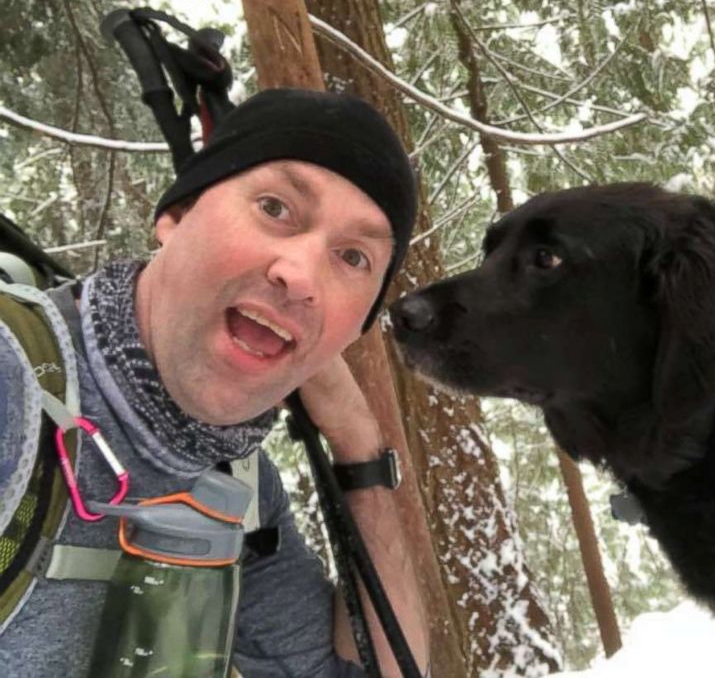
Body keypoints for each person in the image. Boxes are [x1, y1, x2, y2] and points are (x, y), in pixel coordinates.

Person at [0, 88, 430, 677]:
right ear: (174, 218)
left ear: (354, 332)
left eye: (353, 258)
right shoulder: (16, 379)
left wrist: (359, 446)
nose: (300, 275)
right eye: (275, 208)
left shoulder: (239, 490)